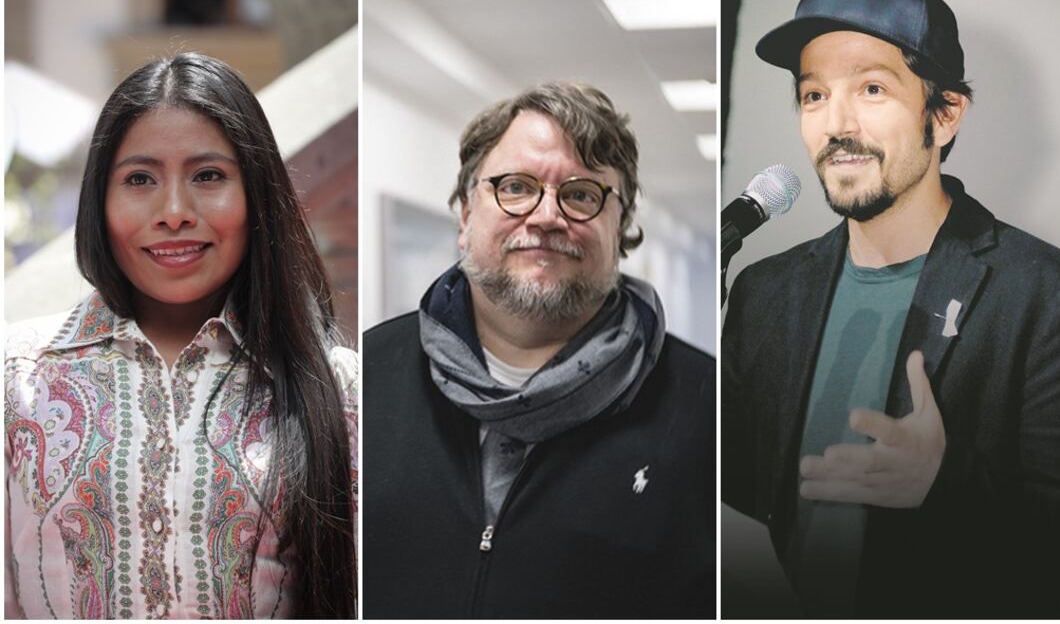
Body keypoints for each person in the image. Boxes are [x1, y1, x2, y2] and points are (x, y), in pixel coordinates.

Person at [722, 0, 1060, 618]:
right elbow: (735, 498)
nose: (835, 123)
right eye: (812, 95)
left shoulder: (1045, 293)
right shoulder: (759, 292)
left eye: (872, 88)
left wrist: (945, 486)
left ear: (942, 116)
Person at [5, 54, 357, 618]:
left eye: (208, 176)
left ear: (257, 196)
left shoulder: (339, 390)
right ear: (100, 199)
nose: (173, 212)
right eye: (139, 179)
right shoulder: (18, 373)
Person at [363, 82, 715, 618]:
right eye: (516, 187)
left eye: (580, 194)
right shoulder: (365, 378)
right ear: (464, 215)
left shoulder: (706, 408)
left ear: (619, 226)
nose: (547, 216)